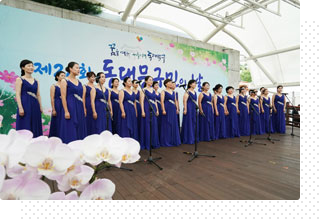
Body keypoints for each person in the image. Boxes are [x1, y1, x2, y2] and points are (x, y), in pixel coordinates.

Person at [59, 62, 87, 143]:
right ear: (70, 69)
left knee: (80, 126)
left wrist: (84, 108)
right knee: (70, 127)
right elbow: (63, 97)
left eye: (79, 68)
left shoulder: (79, 82)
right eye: (76, 68)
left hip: (79, 106)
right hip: (70, 106)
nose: (78, 70)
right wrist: (66, 111)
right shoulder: (65, 81)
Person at [15, 59, 43, 137]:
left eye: (32, 66)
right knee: (25, 122)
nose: (31, 67)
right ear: (23, 68)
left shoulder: (36, 80)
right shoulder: (20, 79)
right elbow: (17, 94)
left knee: (35, 123)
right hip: (25, 103)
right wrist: (20, 107)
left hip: (35, 104)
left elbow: (38, 95)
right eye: (29, 66)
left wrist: (40, 106)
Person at [140, 76, 160, 150]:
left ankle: (153, 142)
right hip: (146, 107)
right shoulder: (143, 90)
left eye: (152, 80)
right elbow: (141, 101)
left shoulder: (153, 90)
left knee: (153, 125)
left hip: (153, 108)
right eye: (150, 80)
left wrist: (157, 110)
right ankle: (147, 143)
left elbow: (155, 100)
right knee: (147, 125)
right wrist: (142, 111)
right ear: (146, 81)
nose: (151, 82)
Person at [160, 79, 181, 147]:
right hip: (167, 108)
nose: (171, 83)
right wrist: (163, 109)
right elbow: (162, 101)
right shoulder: (163, 91)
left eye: (171, 82)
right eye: (169, 82)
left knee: (173, 124)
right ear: (166, 84)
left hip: (173, 108)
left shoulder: (174, 92)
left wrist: (177, 108)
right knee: (167, 124)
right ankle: (166, 141)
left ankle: (174, 140)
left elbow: (175, 100)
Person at [181, 79, 199, 144]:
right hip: (189, 107)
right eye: (194, 83)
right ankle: (188, 138)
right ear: (190, 84)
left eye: (196, 83)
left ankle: (194, 137)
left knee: (194, 122)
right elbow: (184, 101)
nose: (195, 85)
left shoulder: (195, 92)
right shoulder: (187, 91)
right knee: (189, 122)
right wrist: (185, 109)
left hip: (194, 107)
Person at [49, 71, 65, 137]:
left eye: (64, 75)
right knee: (58, 120)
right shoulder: (54, 86)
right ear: (57, 77)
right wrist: (54, 109)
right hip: (58, 104)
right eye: (62, 75)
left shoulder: (66, 85)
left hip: (65, 104)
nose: (64, 77)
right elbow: (52, 98)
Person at [85, 71, 96, 136]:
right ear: (88, 78)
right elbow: (83, 97)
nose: (93, 78)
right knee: (88, 120)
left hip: (95, 104)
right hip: (88, 104)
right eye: (92, 77)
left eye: (94, 77)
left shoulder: (96, 87)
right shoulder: (85, 86)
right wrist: (84, 108)